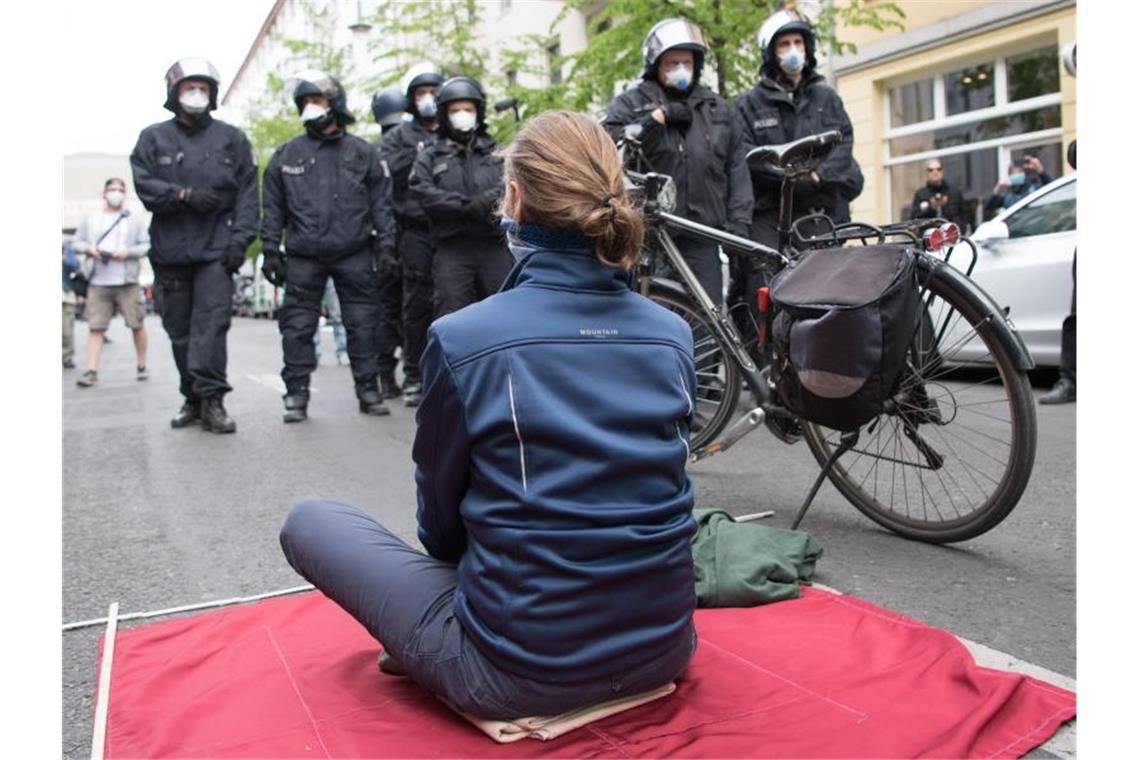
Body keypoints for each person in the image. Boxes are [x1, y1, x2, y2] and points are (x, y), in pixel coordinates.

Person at [280, 110, 698, 720]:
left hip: (517, 675)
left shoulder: (463, 338)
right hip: (664, 650)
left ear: (516, 199)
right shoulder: (673, 334)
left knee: (309, 520)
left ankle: (432, 647)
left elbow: (441, 532)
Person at [260, 70, 398, 423]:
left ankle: (368, 389)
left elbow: (382, 205)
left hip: (354, 252)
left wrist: (386, 247)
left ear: (334, 104)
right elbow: (273, 208)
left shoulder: (362, 153)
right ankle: (296, 393)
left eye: (317, 101)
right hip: (304, 256)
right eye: (304, 102)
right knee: (297, 327)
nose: (310, 108)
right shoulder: (286, 155)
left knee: (362, 323)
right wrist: (271, 250)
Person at [131, 58, 259, 433]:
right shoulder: (152, 138)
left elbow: (249, 195)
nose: (197, 94)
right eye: (190, 87)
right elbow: (145, 187)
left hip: (216, 250)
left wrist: (240, 242)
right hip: (170, 251)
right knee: (180, 330)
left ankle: (214, 399)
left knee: (212, 326)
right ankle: (193, 396)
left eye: (204, 88)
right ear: (174, 92)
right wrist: (183, 195)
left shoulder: (231, 139)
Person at [732, 7, 863, 342]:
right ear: (770, 53)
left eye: (798, 43)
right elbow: (751, 158)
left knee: (828, 290)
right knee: (766, 288)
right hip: (772, 214)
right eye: (784, 44)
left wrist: (816, 177)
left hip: (821, 211)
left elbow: (843, 146)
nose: (793, 51)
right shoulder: (749, 104)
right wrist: (793, 176)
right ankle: (768, 368)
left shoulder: (826, 98)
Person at [601, 17, 752, 307]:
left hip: (702, 236)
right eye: (672, 63)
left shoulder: (718, 109)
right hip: (649, 238)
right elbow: (612, 147)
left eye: (687, 62)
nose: (681, 70)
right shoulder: (629, 105)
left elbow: (737, 169)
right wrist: (657, 120)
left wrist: (740, 221)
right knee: (649, 316)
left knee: (707, 321)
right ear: (655, 63)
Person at [409, 75, 510, 318]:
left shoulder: (496, 151)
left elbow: (512, 184)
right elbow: (424, 193)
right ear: (445, 113)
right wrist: (466, 206)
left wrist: (486, 202)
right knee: (452, 316)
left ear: (478, 111)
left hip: (494, 245)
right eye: (456, 110)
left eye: (468, 109)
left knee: (504, 314)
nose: (462, 114)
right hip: (452, 249)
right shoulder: (430, 156)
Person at [378, 65, 443, 407]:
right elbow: (387, 189)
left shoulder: (454, 132)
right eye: (421, 93)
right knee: (416, 307)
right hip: (414, 233)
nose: (428, 99)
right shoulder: (397, 139)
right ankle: (414, 375)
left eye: (434, 91)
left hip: (453, 232)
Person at [71, 178, 153, 387]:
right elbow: (77, 242)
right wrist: (90, 250)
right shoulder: (92, 219)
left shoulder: (133, 220)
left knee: (136, 323)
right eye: (112, 189)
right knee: (95, 326)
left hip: (127, 280)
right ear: (104, 193)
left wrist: (127, 253)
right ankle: (91, 370)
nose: (115, 193)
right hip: (98, 280)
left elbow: (145, 245)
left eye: (120, 190)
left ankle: (141, 364)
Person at [371, 84, 409, 398]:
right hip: (404, 237)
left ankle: (387, 374)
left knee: (388, 310)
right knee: (404, 309)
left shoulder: (373, 150)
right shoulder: (411, 145)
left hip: (389, 240)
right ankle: (397, 373)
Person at [984, 155, 1053, 215]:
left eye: (1020, 171)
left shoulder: (1033, 187)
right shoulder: (1007, 195)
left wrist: (1040, 170)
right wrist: (997, 190)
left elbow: (1051, 188)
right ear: (1010, 175)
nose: (1018, 174)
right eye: (1014, 172)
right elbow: (989, 207)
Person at [910, 160, 966, 230]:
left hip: (951, 235)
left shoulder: (954, 193)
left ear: (942, 171)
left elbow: (963, 216)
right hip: (928, 235)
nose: (935, 172)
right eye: (931, 170)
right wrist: (931, 207)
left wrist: (945, 205)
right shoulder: (921, 194)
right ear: (927, 173)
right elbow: (913, 219)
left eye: (938, 169)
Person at [312, 278, 348, 366]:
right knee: (311, 314)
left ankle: (342, 351)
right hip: (311, 269)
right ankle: (313, 351)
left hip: (330, 274)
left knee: (337, 314)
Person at [62, 239, 81, 369]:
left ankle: (67, 357)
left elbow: (76, 265)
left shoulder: (65, 247)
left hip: (65, 294)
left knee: (66, 330)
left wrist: (64, 259)